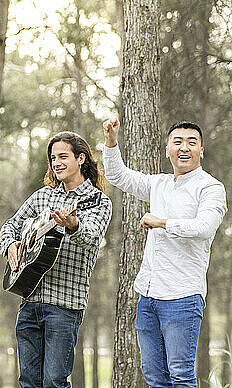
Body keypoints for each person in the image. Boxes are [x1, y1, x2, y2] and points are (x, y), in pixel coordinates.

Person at [102, 118, 227, 387]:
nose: (185, 147)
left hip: (182, 297)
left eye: (192, 142)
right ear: (167, 148)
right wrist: (111, 142)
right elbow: (117, 176)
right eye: (178, 142)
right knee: (155, 378)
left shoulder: (210, 187)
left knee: (181, 376)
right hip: (148, 297)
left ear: (201, 150)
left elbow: (204, 227)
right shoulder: (158, 184)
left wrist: (162, 222)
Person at [0, 131, 112, 388]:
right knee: (28, 382)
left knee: (54, 382)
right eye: (53, 158)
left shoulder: (98, 201)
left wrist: (73, 225)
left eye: (63, 156)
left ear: (81, 158)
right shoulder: (41, 197)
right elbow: (9, 227)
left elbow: (92, 237)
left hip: (65, 305)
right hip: (29, 302)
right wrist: (11, 246)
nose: (56, 163)